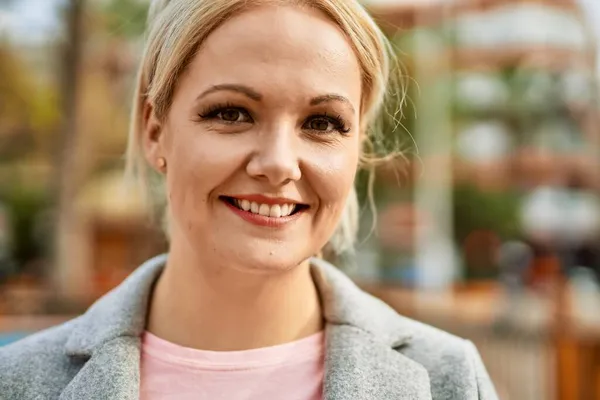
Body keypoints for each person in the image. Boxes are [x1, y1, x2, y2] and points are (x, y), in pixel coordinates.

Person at [0, 0, 498, 399]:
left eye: (322, 123)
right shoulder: (18, 382)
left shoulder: (447, 379)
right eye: (232, 113)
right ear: (155, 131)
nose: (280, 162)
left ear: (358, 148)